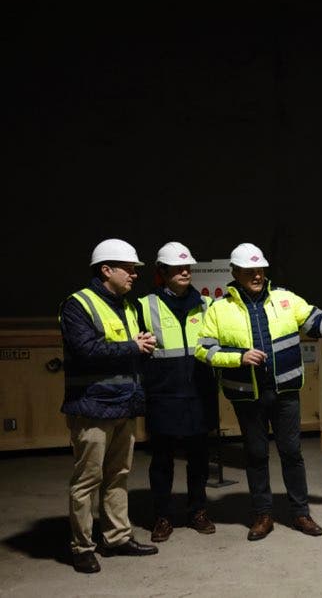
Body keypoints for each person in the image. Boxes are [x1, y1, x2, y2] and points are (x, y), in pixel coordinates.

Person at [195, 243, 322, 541]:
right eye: (250, 271)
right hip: (246, 395)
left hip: (285, 391)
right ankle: (263, 515)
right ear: (236, 273)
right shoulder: (219, 310)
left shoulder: (285, 299)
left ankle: (300, 513)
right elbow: (204, 349)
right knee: (256, 454)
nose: (257, 275)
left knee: (291, 452)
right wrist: (239, 357)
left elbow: (316, 321)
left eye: (261, 269)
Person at [59, 239, 159, 573]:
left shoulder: (129, 306)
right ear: (106, 270)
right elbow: (86, 350)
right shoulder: (77, 304)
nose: (134, 275)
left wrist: (141, 349)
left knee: (118, 476)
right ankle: (82, 547)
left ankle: (116, 538)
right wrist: (133, 346)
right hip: (91, 407)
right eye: (129, 269)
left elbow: (133, 351)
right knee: (87, 480)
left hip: (123, 405)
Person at [138, 242, 218, 542]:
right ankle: (162, 516)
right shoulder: (144, 306)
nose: (186, 272)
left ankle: (198, 510)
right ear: (162, 271)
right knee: (162, 460)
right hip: (162, 395)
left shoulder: (207, 305)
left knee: (199, 458)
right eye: (178, 267)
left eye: (188, 267)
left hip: (200, 394)